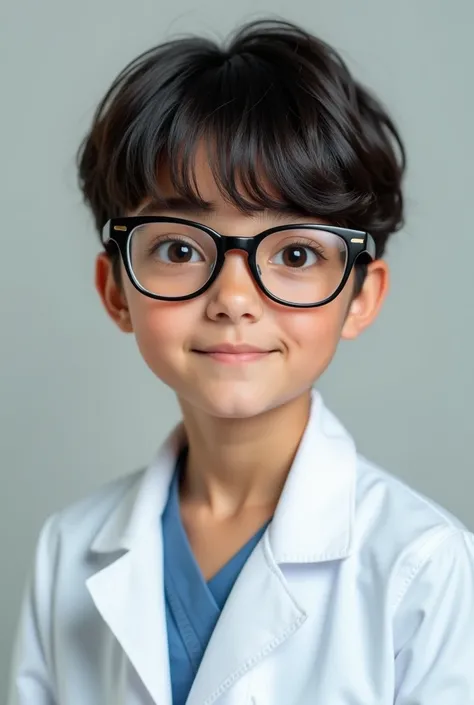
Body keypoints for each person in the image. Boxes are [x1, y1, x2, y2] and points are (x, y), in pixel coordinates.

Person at [7, 18, 474, 705]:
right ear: (116, 290)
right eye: (179, 248)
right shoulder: (68, 552)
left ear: (359, 296)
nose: (233, 298)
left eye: (294, 254)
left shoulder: (423, 565)